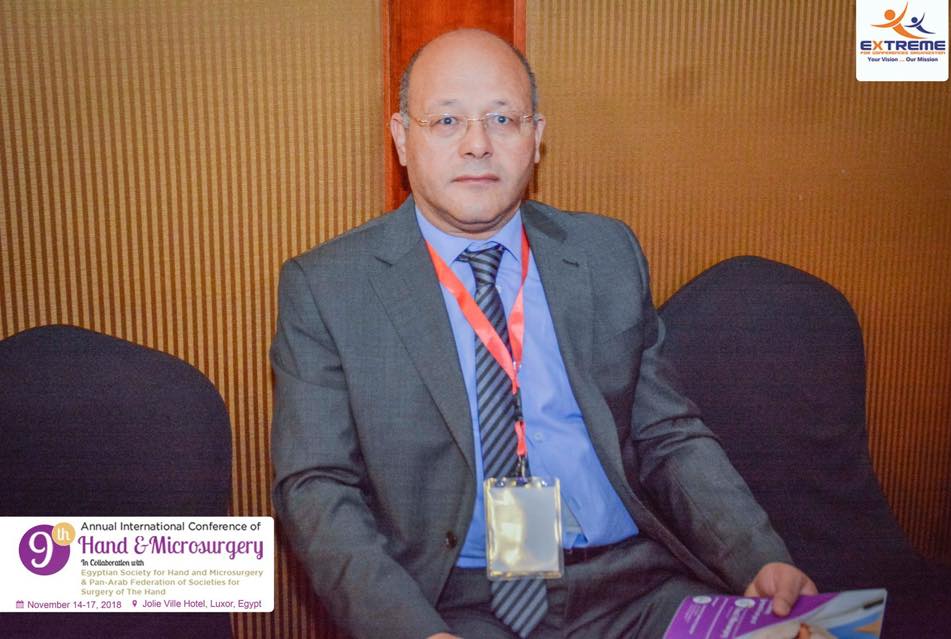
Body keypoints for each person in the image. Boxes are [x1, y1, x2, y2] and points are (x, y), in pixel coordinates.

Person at [271, 28, 816, 639]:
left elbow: (669, 434)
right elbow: (317, 488)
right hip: (458, 605)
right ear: (402, 138)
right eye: (446, 121)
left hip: (636, 589)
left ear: (536, 137)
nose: (477, 145)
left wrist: (758, 557)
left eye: (503, 119)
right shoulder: (330, 287)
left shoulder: (605, 253)